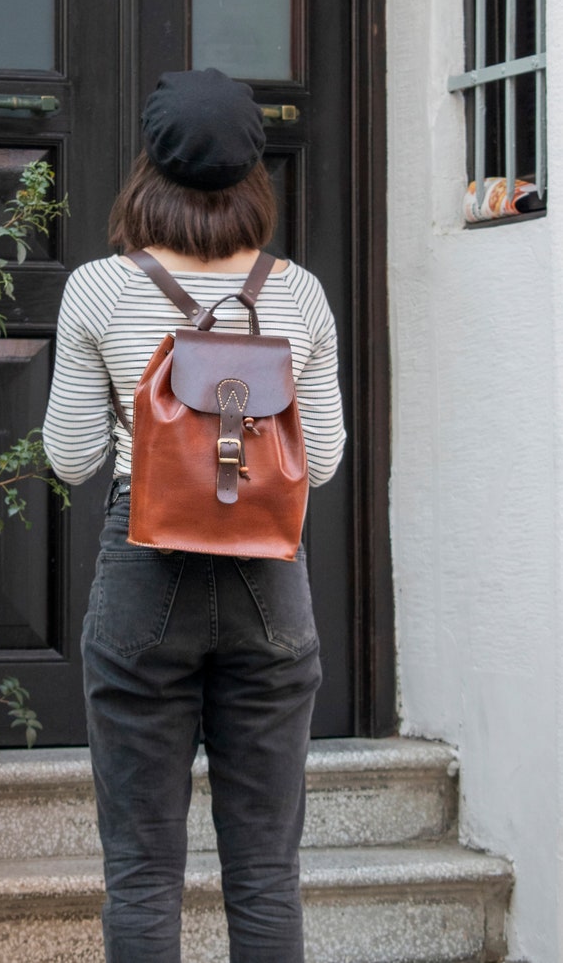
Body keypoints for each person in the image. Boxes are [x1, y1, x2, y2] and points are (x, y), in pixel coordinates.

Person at [43, 68, 346, 963]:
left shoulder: (99, 290)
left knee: (140, 871)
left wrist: (138, 415)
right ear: (258, 176)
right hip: (269, 586)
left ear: (148, 167)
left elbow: (69, 457)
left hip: (144, 580)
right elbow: (320, 463)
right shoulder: (298, 294)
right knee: (265, 870)